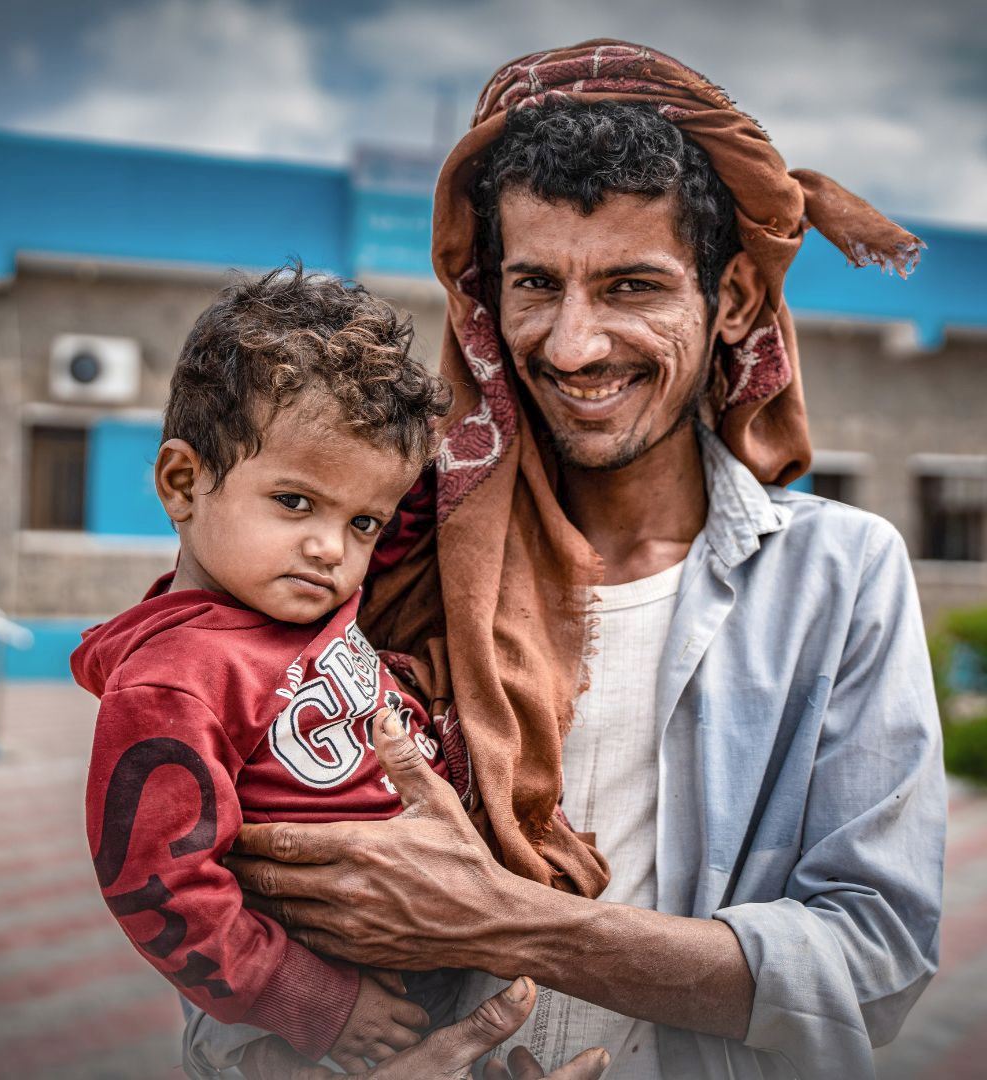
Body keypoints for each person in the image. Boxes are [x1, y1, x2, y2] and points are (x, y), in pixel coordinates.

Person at [200, 40, 944, 1080]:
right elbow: (232, 914)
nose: (573, 345)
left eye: (633, 285)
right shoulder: (375, 557)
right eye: (536, 285)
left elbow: (875, 963)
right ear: (484, 300)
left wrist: (511, 924)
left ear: (730, 300)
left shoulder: (839, 578)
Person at [75, 267, 606, 1078]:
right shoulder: (173, 680)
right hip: (302, 1019)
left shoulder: (312, 598)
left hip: (418, 954)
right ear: (184, 483)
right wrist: (315, 1003)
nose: (332, 547)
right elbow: (159, 888)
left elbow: (453, 492)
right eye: (294, 502)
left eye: (361, 521)